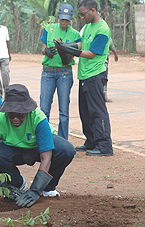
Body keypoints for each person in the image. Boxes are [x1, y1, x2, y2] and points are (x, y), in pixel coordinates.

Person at [0, 84, 76, 208]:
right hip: (13, 149)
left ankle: (47, 187)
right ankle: (17, 184)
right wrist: (0, 184)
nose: (15, 119)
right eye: (11, 115)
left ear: (27, 111)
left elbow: (46, 157)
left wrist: (35, 189)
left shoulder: (38, 118)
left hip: (37, 147)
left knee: (66, 150)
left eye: (20, 115)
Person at [54, 0, 113, 156]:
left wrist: (70, 51)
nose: (81, 18)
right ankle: (91, 141)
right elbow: (81, 45)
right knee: (85, 111)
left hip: (95, 75)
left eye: (83, 14)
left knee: (97, 111)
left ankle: (104, 145)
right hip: (85, 75)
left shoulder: (102, 29)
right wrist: (66, 45)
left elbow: (92, 53)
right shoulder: (87, 27)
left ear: (92, 10)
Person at [40, 3, 81, 140]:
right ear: (58, 17)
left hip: (65, 73)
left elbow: (78, 48)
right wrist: (47, 51)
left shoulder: (75, 34)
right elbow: (42, 48)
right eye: (62, 19)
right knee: (44, 109)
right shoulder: (49, 28)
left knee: (64, 110)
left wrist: (67, 47)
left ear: (71, 19)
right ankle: (45, 138)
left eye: (67, 19)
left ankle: (63, 141)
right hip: (48, 73)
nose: (64, 22)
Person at [104, 38, 118, 102]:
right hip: (97, 59)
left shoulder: (107, 36)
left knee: (104, 78)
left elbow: (111, 46)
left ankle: (104, 94)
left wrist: (115, 54)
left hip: (104, 60)